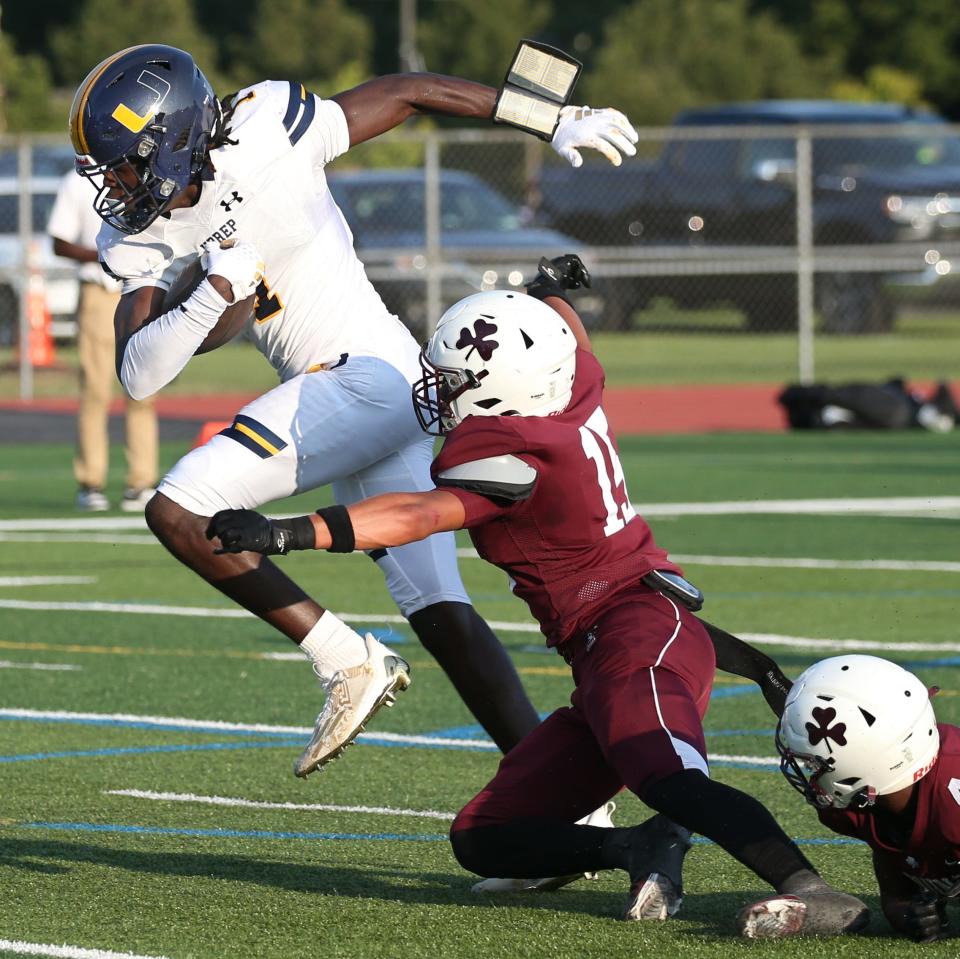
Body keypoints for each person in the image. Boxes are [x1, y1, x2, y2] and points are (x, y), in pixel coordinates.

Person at [205, 254, 869, 937]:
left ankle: (808, 887)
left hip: (635, 629)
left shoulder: (514, 453)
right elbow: (570, 341)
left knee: (671, 779)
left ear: (498, 392)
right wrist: (545, 295)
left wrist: (294, 530)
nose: (438, 389)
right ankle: (636, 845)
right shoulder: (568, 384)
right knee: (484, 834)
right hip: (608, 641)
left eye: (454, 380)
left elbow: (420, 515)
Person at [67, 44, 640, 779]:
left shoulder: (268, 124)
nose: (114, 186)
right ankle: (570, 800)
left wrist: (546, 117)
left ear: (174, 137)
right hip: (376, 392)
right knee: (441, 612)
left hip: (366, 376)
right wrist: (215, 291)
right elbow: (141, 371)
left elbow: (408, 89)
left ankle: (345, 659)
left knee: (178, 508)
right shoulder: (139, 235)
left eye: (122, 163)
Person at [777, 654, 958, 942]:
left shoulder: (951, 800)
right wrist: (914, 915)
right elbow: (897, 895)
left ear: (863, 762)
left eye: (815, 764)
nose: (810, 772)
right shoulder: (869, 803)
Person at [47, 168, 158, 511]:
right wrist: (104, 254)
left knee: (143, 389)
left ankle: (141, 482)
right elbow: (59, 241)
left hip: (140, 289)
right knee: (96, 390)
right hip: (99, 291)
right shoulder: (76, 181)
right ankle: (90, 482)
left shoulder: (148, 174)